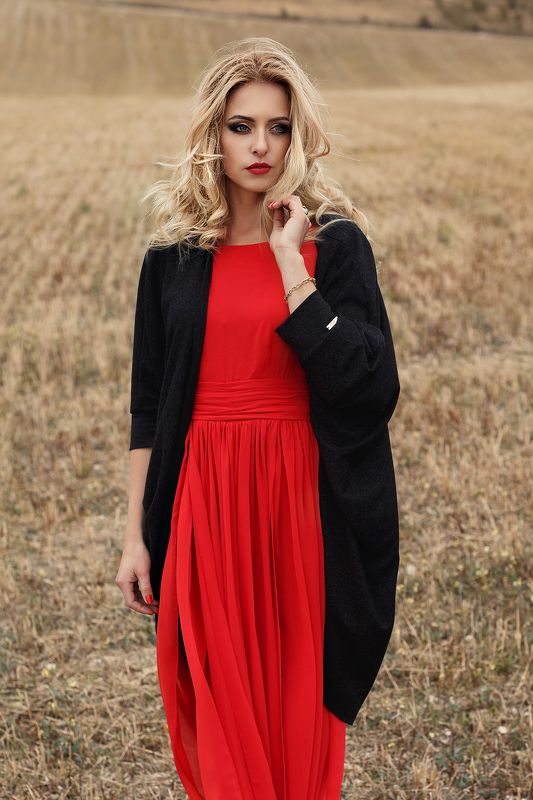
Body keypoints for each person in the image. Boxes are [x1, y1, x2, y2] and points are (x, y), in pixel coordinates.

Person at [115, 37, 401, 799]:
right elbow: (149, 408)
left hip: (298, 507)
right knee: (218, 711)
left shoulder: (333, 247)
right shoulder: (172, 260)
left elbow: (368, 389)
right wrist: (136, 536)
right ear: (214, 133)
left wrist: (288, 263)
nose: (260, 145)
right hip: (205, 500)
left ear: (298, 135)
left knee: (294, 706)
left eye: (277, 127)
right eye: (241, 126)